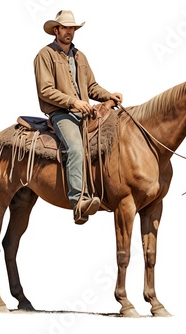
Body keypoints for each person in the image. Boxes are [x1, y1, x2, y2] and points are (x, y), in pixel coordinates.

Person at [33, 10, 122, 224]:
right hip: (61, 114)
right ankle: (78, 201)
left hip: (84, 112)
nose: (69, 32)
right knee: (75, 147)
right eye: (65, 28)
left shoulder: (80, 56)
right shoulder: (45, 55)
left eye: (72, 28)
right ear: (56, 30)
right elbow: (45, 90)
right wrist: (73, 102)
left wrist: (108, 95)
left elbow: (91, 86)